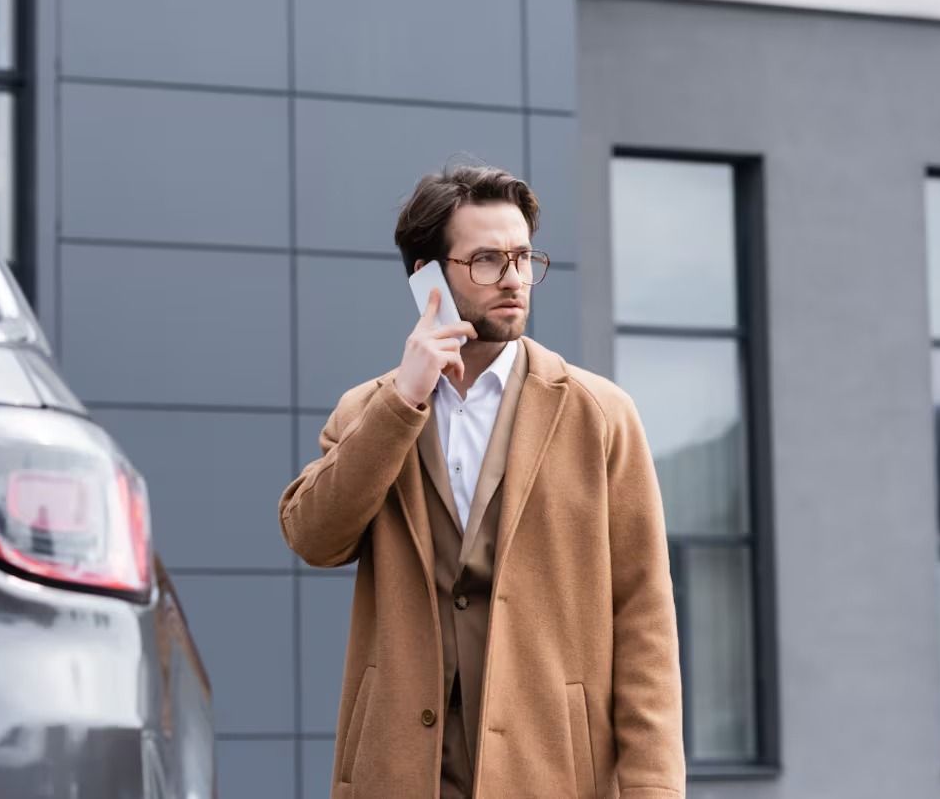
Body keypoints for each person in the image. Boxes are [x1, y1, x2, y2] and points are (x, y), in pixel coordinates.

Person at [279, 164, 684, 798]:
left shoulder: (598, 415)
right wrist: (403, 403)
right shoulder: (369, 412)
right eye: (489, 261)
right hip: (402, 773)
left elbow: (644, 622)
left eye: (524, 258)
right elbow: (312, 536)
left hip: (552, 774)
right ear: (428, 278)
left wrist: (653, 791)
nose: (516, 280)